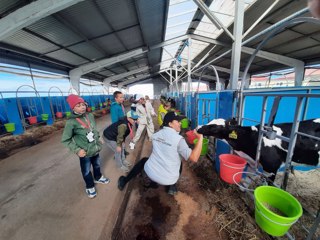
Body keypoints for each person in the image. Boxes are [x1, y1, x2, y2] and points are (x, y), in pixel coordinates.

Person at [118, 111, 203, 195]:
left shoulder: (156, 134)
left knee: (144, 160)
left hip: (150, 172)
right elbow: (194, 158)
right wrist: (200, 138)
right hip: (169, 179)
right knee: (179, 162)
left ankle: (125, 180)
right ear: (170, 124)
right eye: (177, 121)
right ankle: (171, 187)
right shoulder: (179, 140)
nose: (180, 123)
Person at [61, 94, 110, 199]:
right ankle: (90, 186)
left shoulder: (90, 116)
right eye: (78, 105)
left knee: (97, 164)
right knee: (86, 171)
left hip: (95, 148)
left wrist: (98, 137)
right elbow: (66, 140)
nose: (82, 107)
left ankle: (98, 177)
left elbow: (93, 129)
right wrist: (77, 150)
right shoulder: (71, 122)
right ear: (73, 108)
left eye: (83, 104)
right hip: (85, 152)